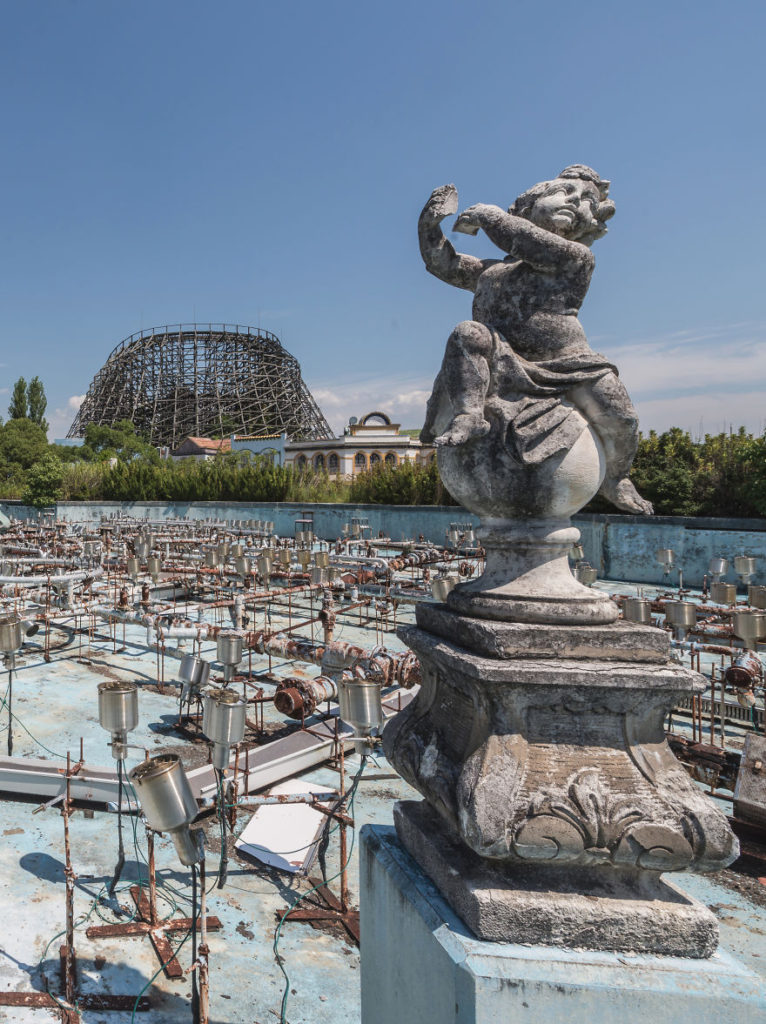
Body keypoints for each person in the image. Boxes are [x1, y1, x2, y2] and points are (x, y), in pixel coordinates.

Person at [419, 165, 652, 515]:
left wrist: (488, 216)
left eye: (585, 200)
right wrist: (429, 226)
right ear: (525, 207)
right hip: (505, 357)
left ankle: (616, 476)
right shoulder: (492, 272)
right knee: (467, 333)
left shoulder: (576, 258)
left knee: (622, 417)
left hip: (569, 363)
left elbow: (526, 242)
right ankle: (470, 415)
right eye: (564, 193)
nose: (575, 202)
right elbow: (444, 264)